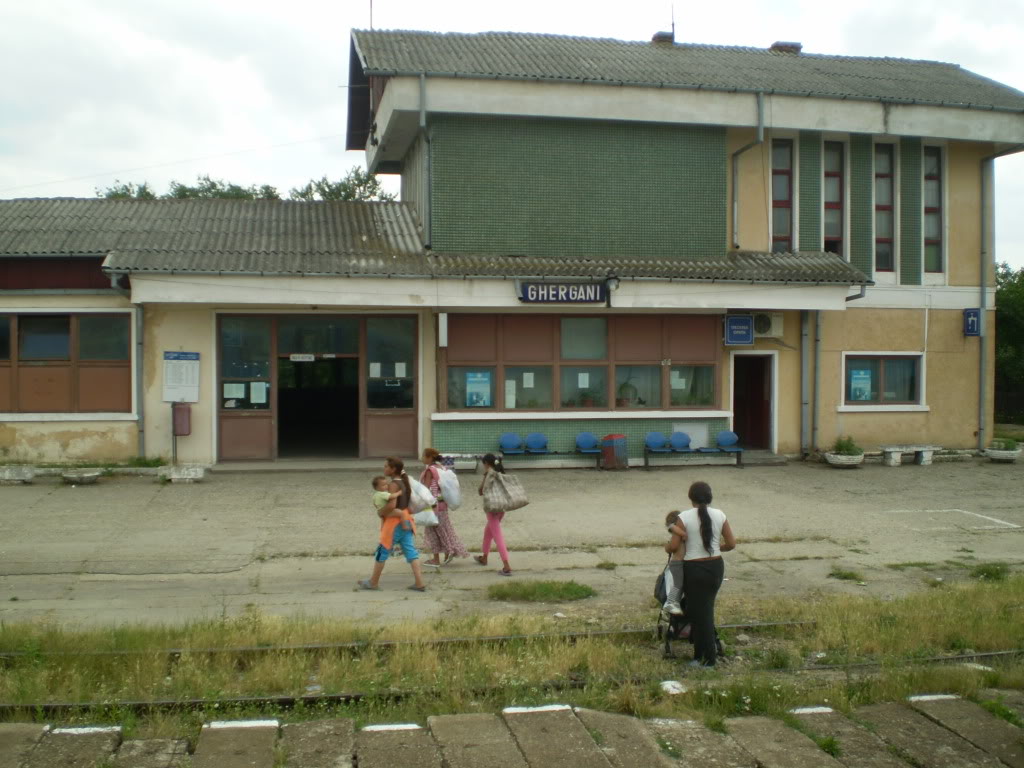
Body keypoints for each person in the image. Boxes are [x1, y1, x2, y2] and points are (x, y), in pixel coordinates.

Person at [672, 481, 736, 667]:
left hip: (694, 569)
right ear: (709, 498)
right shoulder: (720, 515)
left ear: (691, 499)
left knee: (703, 615)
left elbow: (675, 546)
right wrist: (716, 548)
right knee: (700, 611)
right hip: (715, 567)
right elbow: (731, 544)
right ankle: (700, 655)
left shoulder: (683, 517)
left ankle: (708, 660)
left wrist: (668, 547)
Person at [358, 457, 427, 592]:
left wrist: (380, 512)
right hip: (406, 519)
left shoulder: (393, 485)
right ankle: (419, 583)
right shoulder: (403, 482)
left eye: (386, 466)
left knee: (382, 551)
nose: (384, 469)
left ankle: (373, 582)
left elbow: (391, 505)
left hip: (394, 524)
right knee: (410, 552)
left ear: (393, 469)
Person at [419, 448, 469, 567]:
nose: (422, 458)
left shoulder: (430, 470)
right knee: (445, 529)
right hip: (443, 505)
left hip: (433, 506)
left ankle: (437, 559)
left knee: (432, 532)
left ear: (430, 457)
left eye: (424, 456)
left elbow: (425, 490)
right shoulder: (442, 468)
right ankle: (448, 552)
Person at [474, 453, 512, 576]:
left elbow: (481, 491)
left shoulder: (489, 474)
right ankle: (484, 557)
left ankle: (506, 566)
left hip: (492, 508)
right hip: (502, 508)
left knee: (497, 536)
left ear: (486, 463)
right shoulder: (501, 473)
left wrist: (483, 479)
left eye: (483, 464)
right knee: (488, 532)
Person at [662, 510, 686, 619]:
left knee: (679, 585)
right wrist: (684, 534)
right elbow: (672, 527)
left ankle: (674, 602)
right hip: (677, 563)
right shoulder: (676, 529)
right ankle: (670, 603)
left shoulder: (676, 531)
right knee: (678, 584)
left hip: (679, 563)